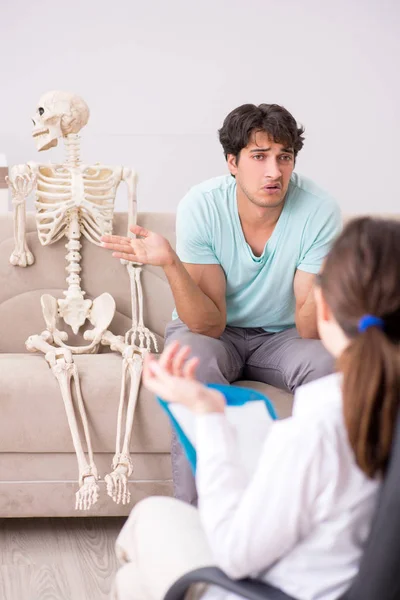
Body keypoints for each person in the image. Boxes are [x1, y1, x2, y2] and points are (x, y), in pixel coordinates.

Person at [112, 217, 400, 600]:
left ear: (325, 311)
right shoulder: (345, 418)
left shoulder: (314, 432)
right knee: (135, 582)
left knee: (148, 521)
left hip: (279, 589)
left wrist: (208, 415)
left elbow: (235, 556)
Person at [101, 103, 342, 504]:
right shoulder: (202, 205)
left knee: (333, 366)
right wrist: (171, 262)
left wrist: (333, 275)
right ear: (232, 162)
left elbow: (308, 328)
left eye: (285, 158)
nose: (274, 171)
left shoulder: (319, 210)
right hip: (214, 331)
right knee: (190, 366)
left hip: (284, 335)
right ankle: (198, 522)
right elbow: (208, 324)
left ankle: (310, 513)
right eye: (259, 156)